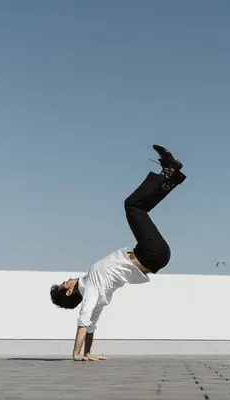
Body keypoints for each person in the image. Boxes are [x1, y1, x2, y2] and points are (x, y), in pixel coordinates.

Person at [50, 144, 186, 361]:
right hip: (151, 253)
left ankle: (171, 176)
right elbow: (84, 319)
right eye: (64, 283)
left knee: (139, 206)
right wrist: (76, 354)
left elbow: (92, 324)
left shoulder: (93, 288)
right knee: (132, 206)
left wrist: (88, 353)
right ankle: (169, 173)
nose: (66, 279)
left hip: (150, 255)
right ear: (68, 292)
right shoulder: (90, 287)